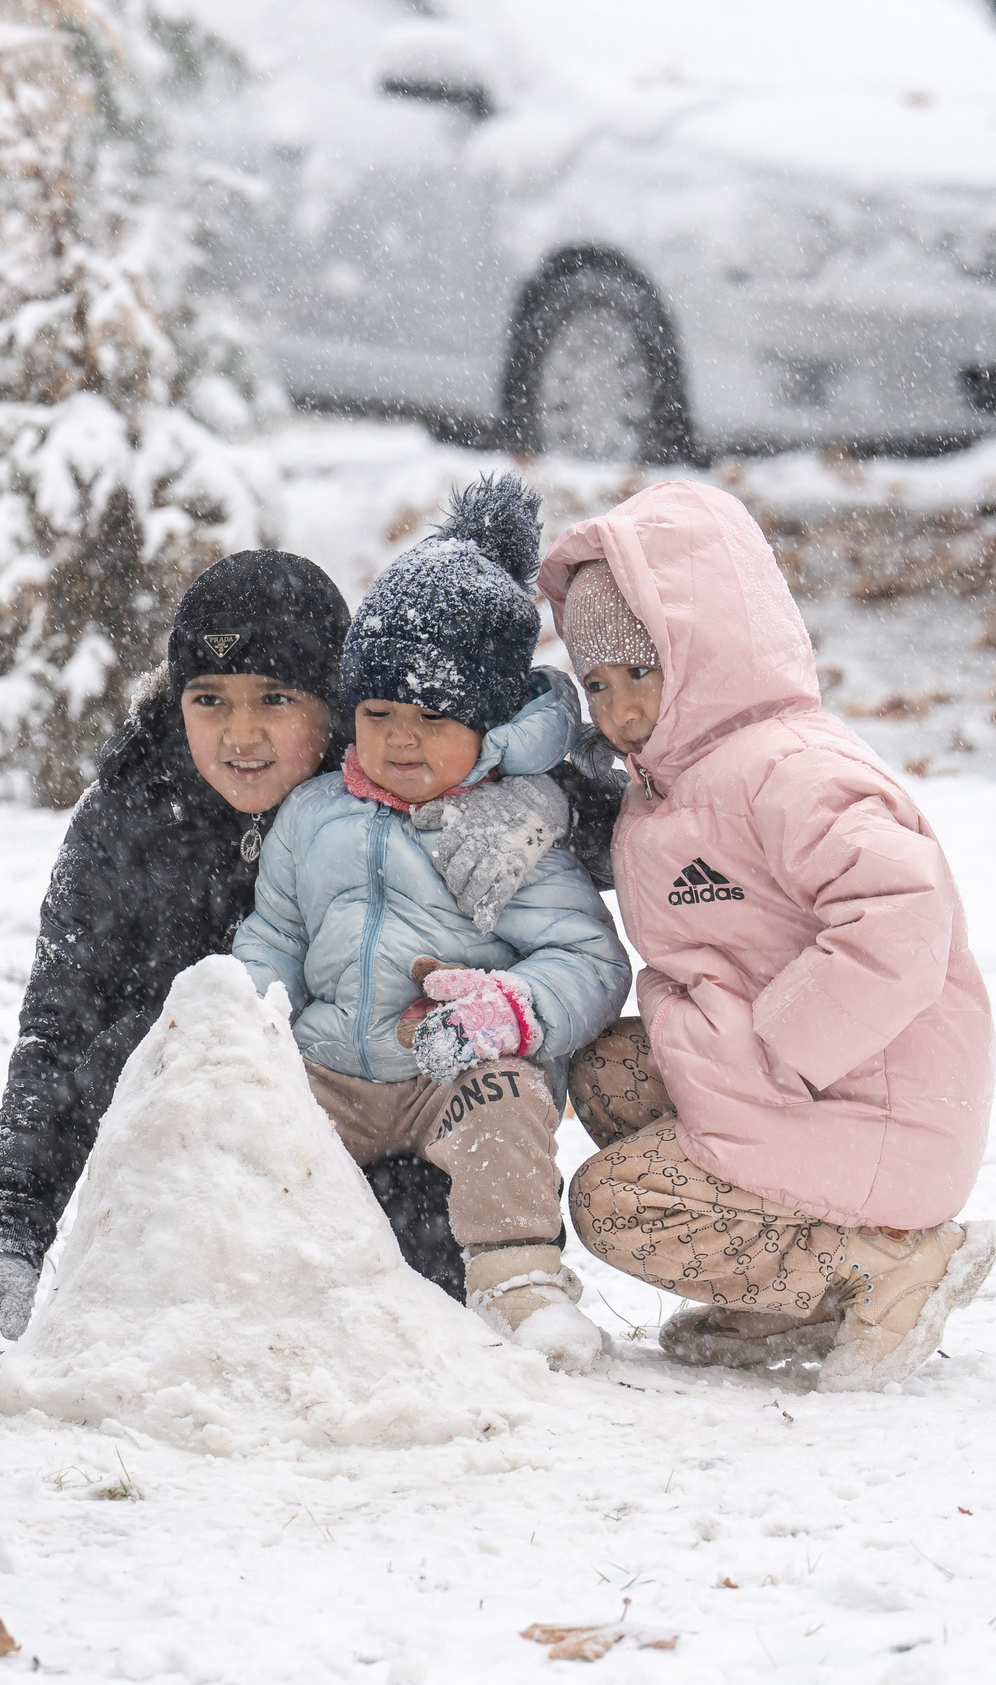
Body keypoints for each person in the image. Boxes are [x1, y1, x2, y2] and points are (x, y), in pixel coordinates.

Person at [0, 530, 583, 1362]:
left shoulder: (411, 772)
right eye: (209, 699)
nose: (240, 734)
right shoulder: (134, 812)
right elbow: (56, 1028)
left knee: (399, 1285)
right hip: (202, 1141)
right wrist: (9, 1232)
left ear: (334, 699)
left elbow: (599, 788)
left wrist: (539, 800)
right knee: (142, 1041)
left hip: (405, 1116)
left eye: (275, 699)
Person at [541, 481, 996, 1392]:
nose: (620, 708)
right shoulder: (674, 777)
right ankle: (793, 1286)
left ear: (709, 654)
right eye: (598, 682)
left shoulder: (788, 769)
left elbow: (902, 911)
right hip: (793, 1082)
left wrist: (783, 1047)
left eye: (643, 671)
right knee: (607, 1071)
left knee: (616, 1205)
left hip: (870, 1099)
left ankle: (881, 1265)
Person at [230, 476, 633, 1370]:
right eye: (378, 713)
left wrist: (514, 1009)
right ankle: (246, 1275)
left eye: (432, 717)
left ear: (488, 722)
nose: (401, 739)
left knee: (509, 1093)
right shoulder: (313, 814)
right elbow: (279, 933)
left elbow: (591, 958)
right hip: (330, 1066)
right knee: (249, 1113)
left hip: (441, 1072)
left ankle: (519, 1279)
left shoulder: (505, 826)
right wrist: (248, 1010)